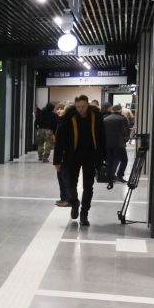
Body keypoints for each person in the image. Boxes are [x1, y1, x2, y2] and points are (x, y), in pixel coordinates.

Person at [54, 94, 107, 227]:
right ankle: (74, 202)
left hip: (91, 156)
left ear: (87, 105)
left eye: (83, 106)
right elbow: (59, 141)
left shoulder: (96, 117)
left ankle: (84, 214)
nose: (81, 109)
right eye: (78, 106)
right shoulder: (68, 118)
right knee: (70, 184)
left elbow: (102, 138)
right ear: (75, 106)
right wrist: (57, 160)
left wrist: (104, 157)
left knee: (88, 186)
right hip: (72, 156)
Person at [53, 103, 72, 208]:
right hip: (70, 155)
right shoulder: (71, 122)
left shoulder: (63, 123)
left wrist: (56, 161)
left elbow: (59, 145)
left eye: (62, 109)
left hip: (65, 156)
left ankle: (67, 199)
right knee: (65, 178)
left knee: (64, 178)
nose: (59, 111)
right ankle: (65, 198)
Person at [104, 104, 130, 182]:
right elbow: (126, 131)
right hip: (119, 143)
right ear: (120, 110)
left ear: (112, 110)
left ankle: (109, 176)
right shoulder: (122, 118)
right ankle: (120, 175)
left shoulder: (106, 119)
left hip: (107, 143)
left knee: (110, 160)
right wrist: (125, 140)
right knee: (124, 160)